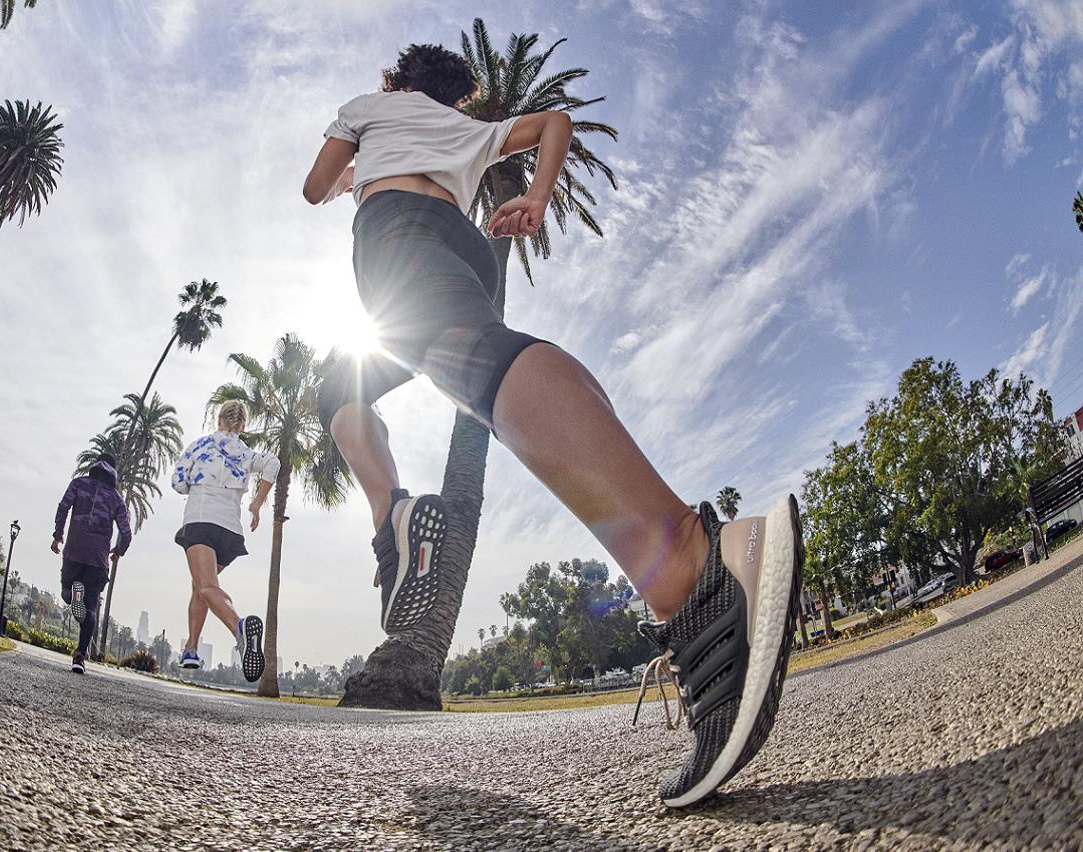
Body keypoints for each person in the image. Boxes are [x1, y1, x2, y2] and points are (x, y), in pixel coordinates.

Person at [302, 43, 804, 807]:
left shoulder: (372, 109)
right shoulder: (466, 130)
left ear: (398, 83)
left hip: (394, 233)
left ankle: (694, 570)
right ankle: (397, 524)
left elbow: (313, 187)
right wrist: (534, 197)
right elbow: (557, 121)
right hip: (460, 244)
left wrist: (351, 167)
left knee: (469, 361)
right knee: (343, 389)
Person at [170, 399, 276, 683]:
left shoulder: (199, 446)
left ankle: (239, 627)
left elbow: (178, 483)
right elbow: (272, 464)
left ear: (219, 420)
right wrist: (256, 503)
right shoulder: (245, 452)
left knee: (206, 586)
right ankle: (191, 649)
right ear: (242, 426)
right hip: (230, 530)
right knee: (201, 586)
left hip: (201, 520)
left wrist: (197, 482)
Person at [52, 452, 132, 675]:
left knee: (67, 590)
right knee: (90, 608)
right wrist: (118, 552)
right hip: (98, 560)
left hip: (74, 552)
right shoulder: (116, 498)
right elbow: (126, 533)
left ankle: (71, 596)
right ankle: (79, 655)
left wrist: (58, 534)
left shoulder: (79, 484)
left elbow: (63, 507)